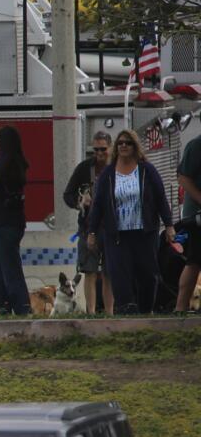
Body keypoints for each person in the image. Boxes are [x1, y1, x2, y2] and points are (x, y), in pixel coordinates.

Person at [87, 128, 175, 314]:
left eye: (128, 143)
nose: (124, 146)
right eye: (120, 143)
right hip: (117, 235)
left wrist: (169, 225)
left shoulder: (146, 170)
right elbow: (98, 205)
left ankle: (145, 309)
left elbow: (160, 198)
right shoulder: (108, 174)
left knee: (147, 273)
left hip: (144, 232)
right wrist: (92, 232)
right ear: (116, 148)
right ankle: (126, 309)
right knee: (119, 273)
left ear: (135, 146)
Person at [64, 131, 115, 314]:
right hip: (87, 226)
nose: (99, 153)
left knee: (109, 273)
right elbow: (67, 194)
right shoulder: (85, 168)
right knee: (89, 271)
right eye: (95, 149)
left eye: (103, 149)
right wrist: (80, 202)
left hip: (111, 228)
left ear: (110, 148)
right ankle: (91, 312)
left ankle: (110, 313)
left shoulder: (118, 167)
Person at [0, 125, 31, 316]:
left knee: (6, 269)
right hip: (15, 221)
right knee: (5, 267)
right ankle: (4, 305)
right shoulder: (19, 163)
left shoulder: (3, 164)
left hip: (2, 222)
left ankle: (17, 307)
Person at [174, 129, 201, 313]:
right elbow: (183, 178)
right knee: (194, 261)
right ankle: (180, 309)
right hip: (197, 216)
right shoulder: (197, 145)